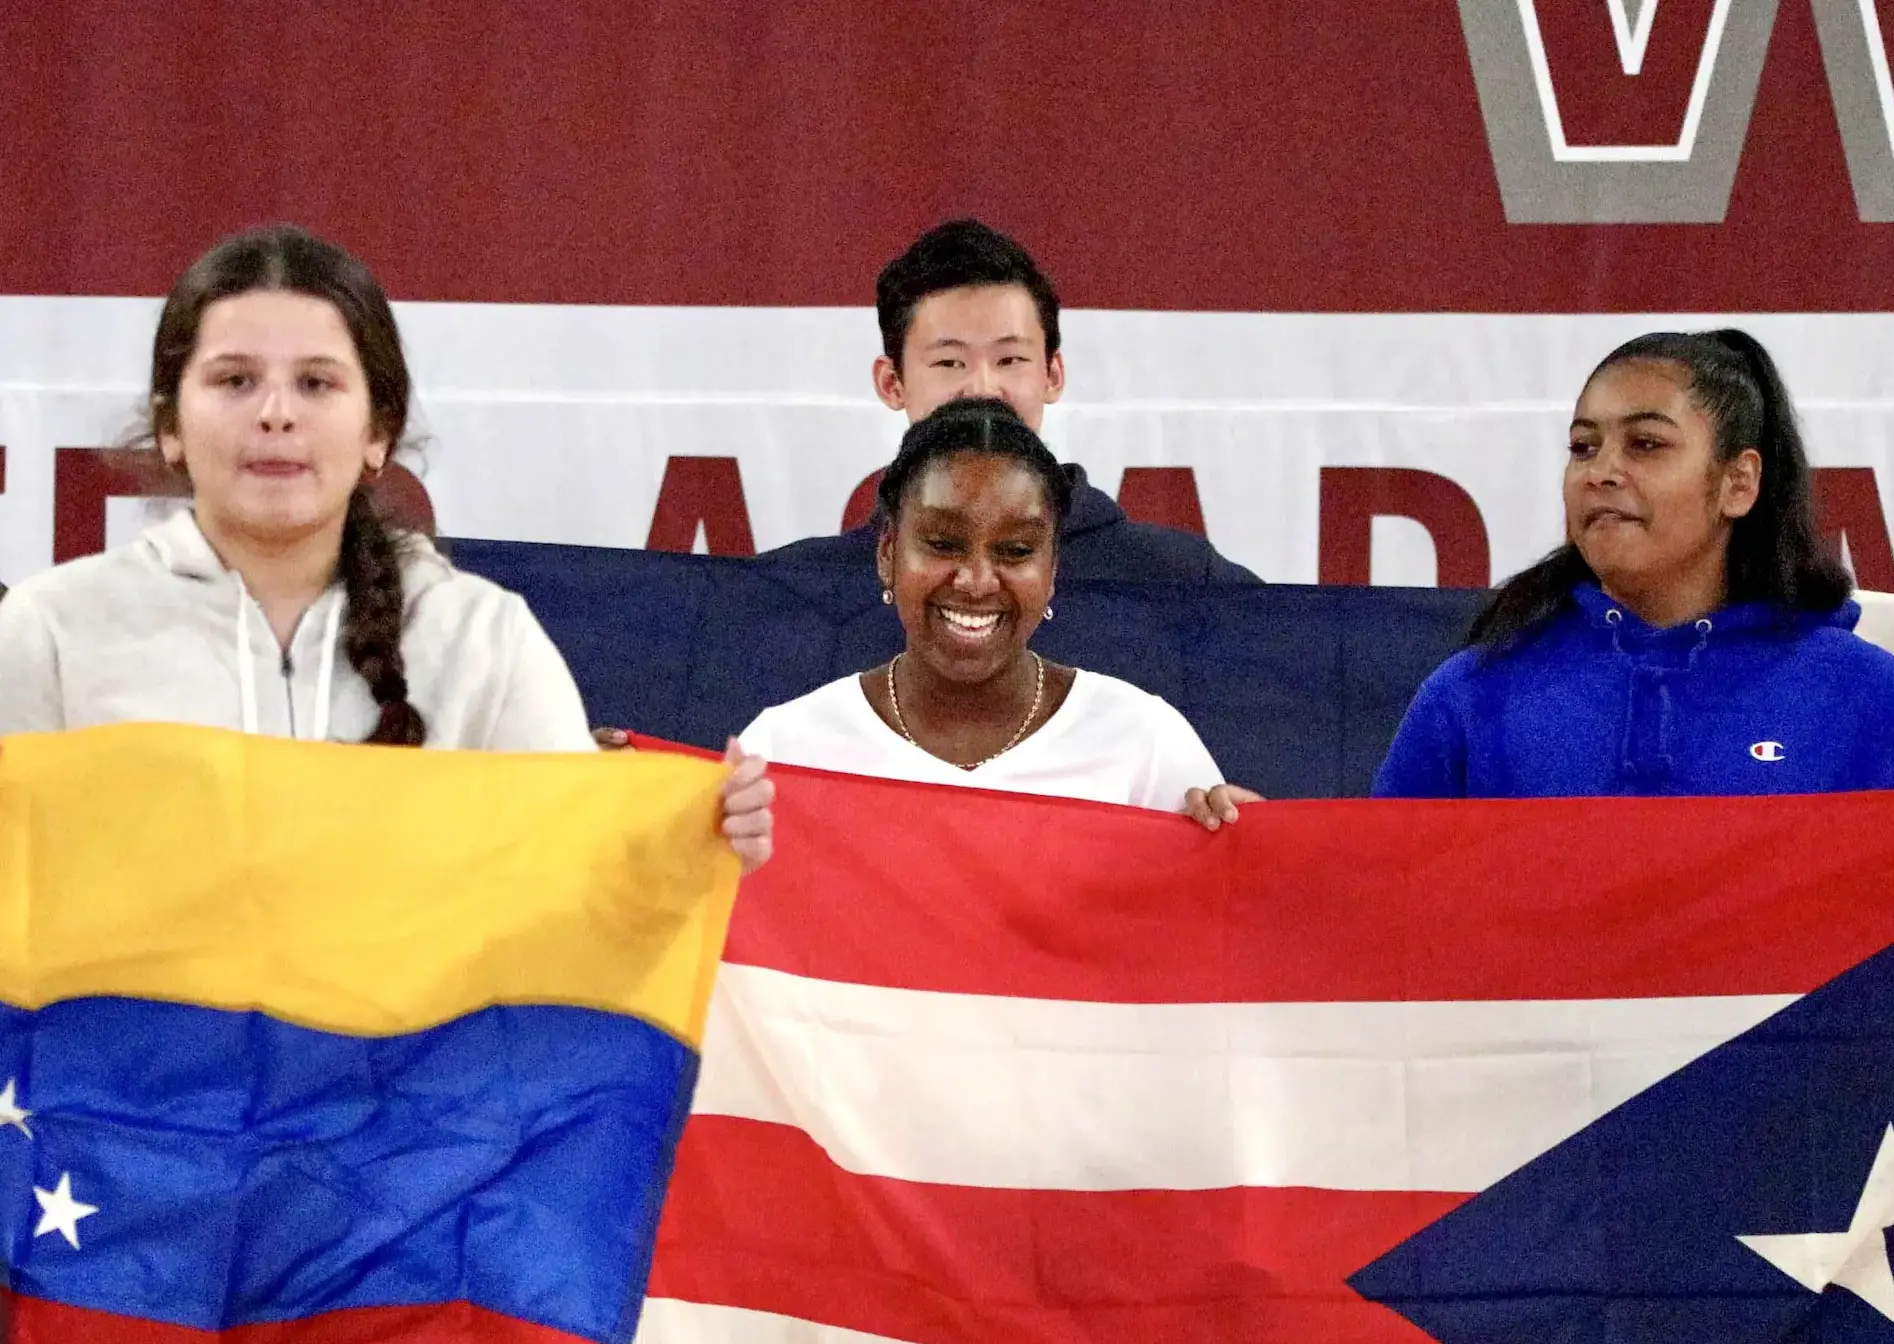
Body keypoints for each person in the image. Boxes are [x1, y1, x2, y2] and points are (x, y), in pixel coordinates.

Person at [0, 224, 772, 869]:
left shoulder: (483, 637)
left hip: (423, 1060)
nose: (275, 414)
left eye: (317, 383)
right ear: (171, 424)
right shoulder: (50, 630)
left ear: (378, 431)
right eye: (234, 381)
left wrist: (684, 845)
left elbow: (568, 890)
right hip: (132, 1056)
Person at [1371, 329, 1894, 873]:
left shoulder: (1862, 695)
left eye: (1646, 444)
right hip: (1529, 1144)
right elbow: (1366, 904)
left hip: (1793, 1145)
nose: (1602, 470)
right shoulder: (1476, 691)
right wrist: (1257, 852)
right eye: (1583, 445)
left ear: (1739, 481)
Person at [741, 397, 1256, 828]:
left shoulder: (1145, 746)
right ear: (887, 555)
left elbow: (1229, 929)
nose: (977, 581)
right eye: (943, 544)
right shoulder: (784, 751)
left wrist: (1241, 850)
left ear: (1052, 571)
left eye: (1015, 551)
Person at [759, 218, 1258, 583]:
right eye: (949, 363)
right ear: (892, 383)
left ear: (1053, 374)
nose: (981, 389)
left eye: (1010, 360)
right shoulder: (799, 591)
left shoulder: (1182, 582)